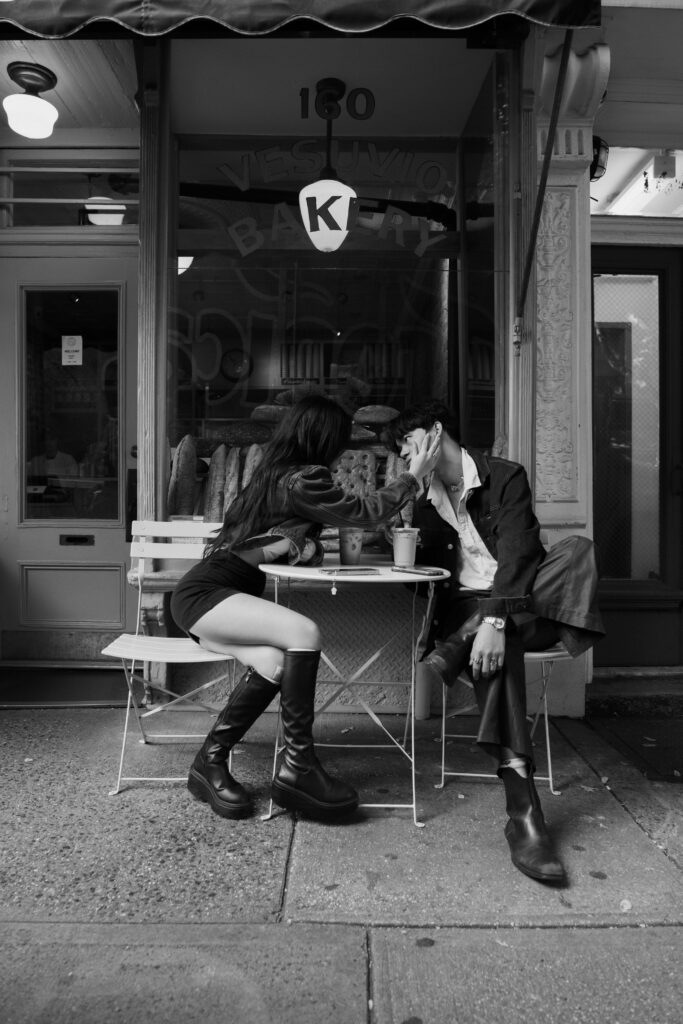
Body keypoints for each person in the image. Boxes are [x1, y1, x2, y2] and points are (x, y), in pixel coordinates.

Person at [170, 395, 440, 824]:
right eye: (339, 438)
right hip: (207, 595)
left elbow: (275, 543)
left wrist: (303, 545)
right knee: (305, 632)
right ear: (323, 438)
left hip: (209, 599)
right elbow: (363, 514)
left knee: (274, 664)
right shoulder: (303, 479)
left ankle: (209, 762)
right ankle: (298, 767)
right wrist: (412, 477)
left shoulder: (274, 475)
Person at [388, 400, 605, 886]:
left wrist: (496, 617)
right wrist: (406, 519)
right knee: (497, 645)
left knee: (576, 552)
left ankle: (468, 641)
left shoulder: (505, 476)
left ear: (435, 431)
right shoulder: (423, 500)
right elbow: (418, 583)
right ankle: (525, 816)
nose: (405, 458)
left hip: (527, 602)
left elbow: (522, 552)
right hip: (471, 610)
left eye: (407, 445)